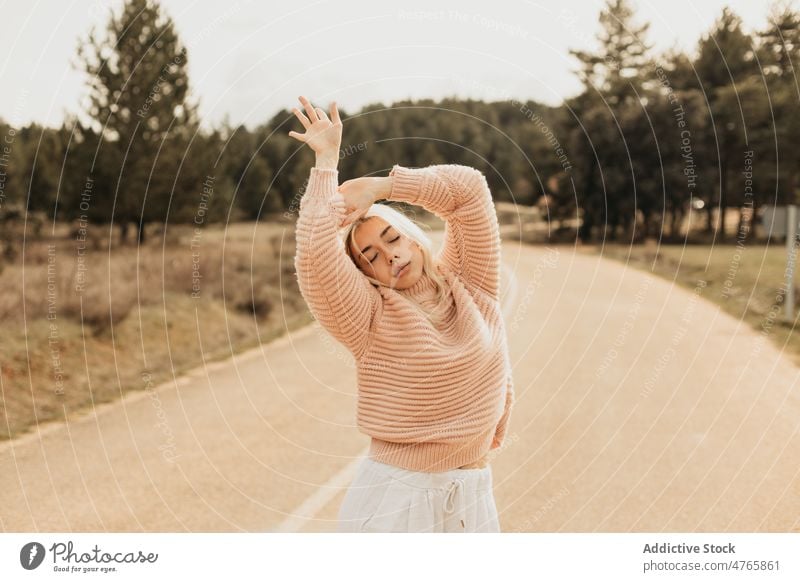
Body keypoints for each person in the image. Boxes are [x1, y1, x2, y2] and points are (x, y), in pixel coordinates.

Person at [289, 95, 514, 533]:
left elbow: (469, 190)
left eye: (392, 238)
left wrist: (380, 188)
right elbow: (315, 253)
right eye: (370, 256)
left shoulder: (472, 282)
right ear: (364, 273)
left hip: (472, 490)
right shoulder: (368, 317)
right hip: (399, 495)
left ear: (412, 236)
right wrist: (327, 163)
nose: (389, 256)